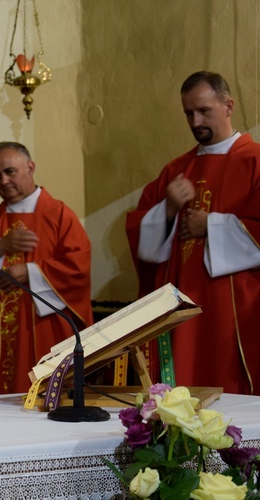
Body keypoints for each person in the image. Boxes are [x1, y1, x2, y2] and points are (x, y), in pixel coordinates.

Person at [126, 71, 260, 396]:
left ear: (228, 106)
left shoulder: (255, 161)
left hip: (235, 312)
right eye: (188, 113)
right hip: (181, 308)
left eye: (203, 111)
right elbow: (141, 237)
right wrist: (168, 209)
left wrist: (211, 225)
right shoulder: (175, 170)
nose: (195, 120)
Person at [0, 142, 93, 396]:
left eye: (10, 172)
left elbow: (78, 266)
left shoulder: (59, 215)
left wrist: (30, 272)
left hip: (40, 331)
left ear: (30, 168)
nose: (3, 180)